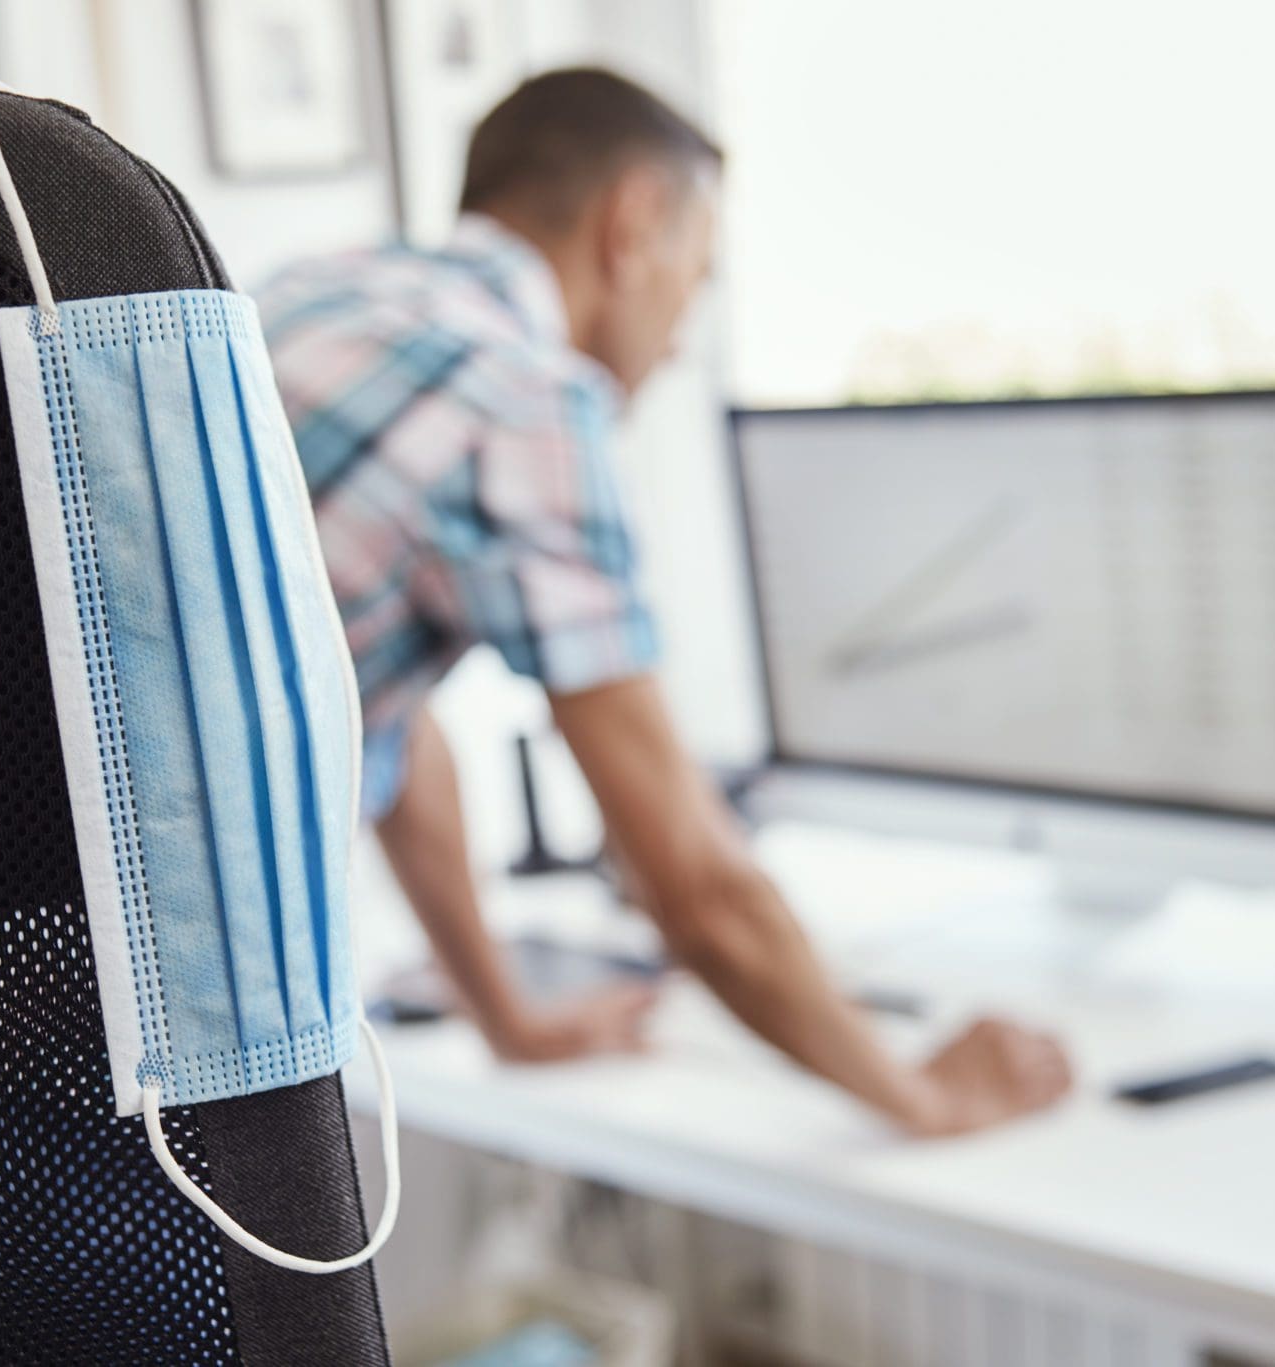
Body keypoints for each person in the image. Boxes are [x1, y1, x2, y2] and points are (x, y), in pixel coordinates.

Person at [258, 68, 1072, 1136]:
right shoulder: (525, 398)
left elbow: (376, 723)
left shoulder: (317, 291)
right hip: (133, 1028)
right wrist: (921, 1094)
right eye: (698, 273)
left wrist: (507, 1017)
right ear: (631, 224)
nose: (684, 334)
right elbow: (693, 888)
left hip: (2, 945)